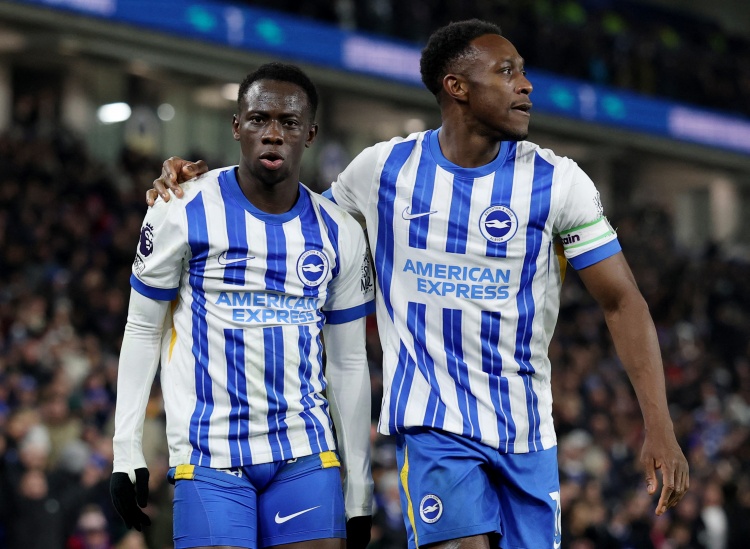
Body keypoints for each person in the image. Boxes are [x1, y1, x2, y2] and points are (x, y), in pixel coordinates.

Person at [149, 20, 689, 549]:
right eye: (507, 72)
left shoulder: (559, 182)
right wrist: (201, 191)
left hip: (526, 433)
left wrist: (659, 425)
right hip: (433, 425)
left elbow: (622, 301)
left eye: (522, 72)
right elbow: (291, 221)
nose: (526, 86)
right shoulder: (383, 170)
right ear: (457, 87)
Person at [112, 62, 376, 549]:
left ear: (310, 134)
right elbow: (142, 329)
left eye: (289, 122)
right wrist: (125, 450)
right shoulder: (180, 206)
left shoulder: (340, 230)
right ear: (237, 126)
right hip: (208, 457)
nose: (273, 134)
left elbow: (349, 360)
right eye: (258, 119)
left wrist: (359, 484)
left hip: (305, 453)